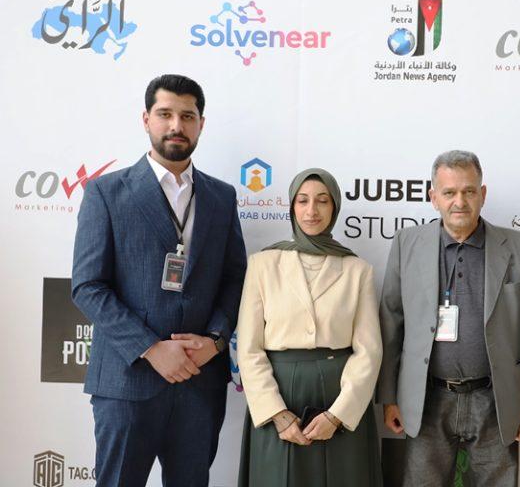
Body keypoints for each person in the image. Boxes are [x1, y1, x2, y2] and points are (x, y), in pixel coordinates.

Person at [71, 74, 247, 486]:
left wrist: (215, 341)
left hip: (199, 384)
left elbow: (236, 278)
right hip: (127, 381)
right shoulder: (105, 192)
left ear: (201, 124)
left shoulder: (221, 197)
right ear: (146, 119)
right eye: (165, 114)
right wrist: (151, 349)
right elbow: (88, 286)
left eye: (187, 116)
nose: (176, 125)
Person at [377, 150, 520, 486]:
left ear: (482, 194)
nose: (460, 201)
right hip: (426, 399)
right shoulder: (406, 243)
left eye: (469, 191)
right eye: (449, 192)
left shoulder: (518, 246)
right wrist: (389, 397)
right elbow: (391, 323)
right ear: (434, 198)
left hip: (495, 400)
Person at [237, 168, 383, 487]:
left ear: (334, 207)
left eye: (322, 201)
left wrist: (338, 415)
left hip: (339, 397)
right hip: (278, 397)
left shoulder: (357, 270)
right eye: (302, 201)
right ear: (292, 207)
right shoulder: (263, 264)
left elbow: (369, 352)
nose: (311, 210)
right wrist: (276, 413)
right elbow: (248, 349)